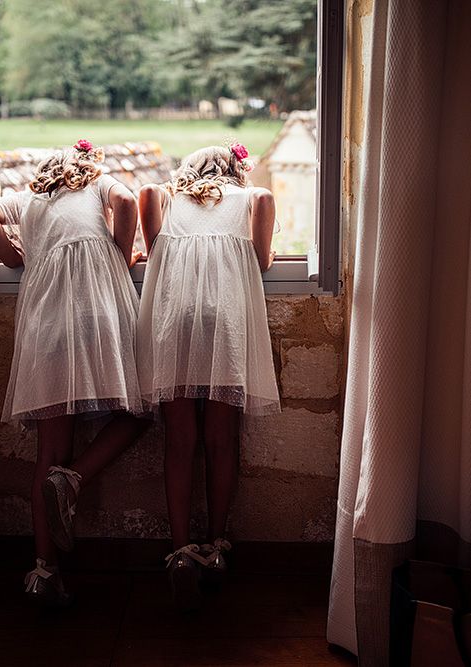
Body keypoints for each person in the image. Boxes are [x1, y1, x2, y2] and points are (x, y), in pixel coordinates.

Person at [0, 140, 147, 607]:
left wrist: (13, 257)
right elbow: (129, 201)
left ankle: (42, 572)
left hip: (45, 320)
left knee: (49, 449)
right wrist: (121, 252)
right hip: (97, 314)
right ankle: (75, 478)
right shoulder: (96, 184)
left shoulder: (29, 198)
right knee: (139, 411)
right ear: (86, 168)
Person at [136, 143, 280, 611]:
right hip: (224, 323)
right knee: (221, 439)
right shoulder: (253, 199)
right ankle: (216, 548)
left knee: (179, 440)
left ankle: (179, 552)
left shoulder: (165, 199)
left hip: (174, 318)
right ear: (236, 171)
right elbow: (260, 261)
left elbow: (154, 243)